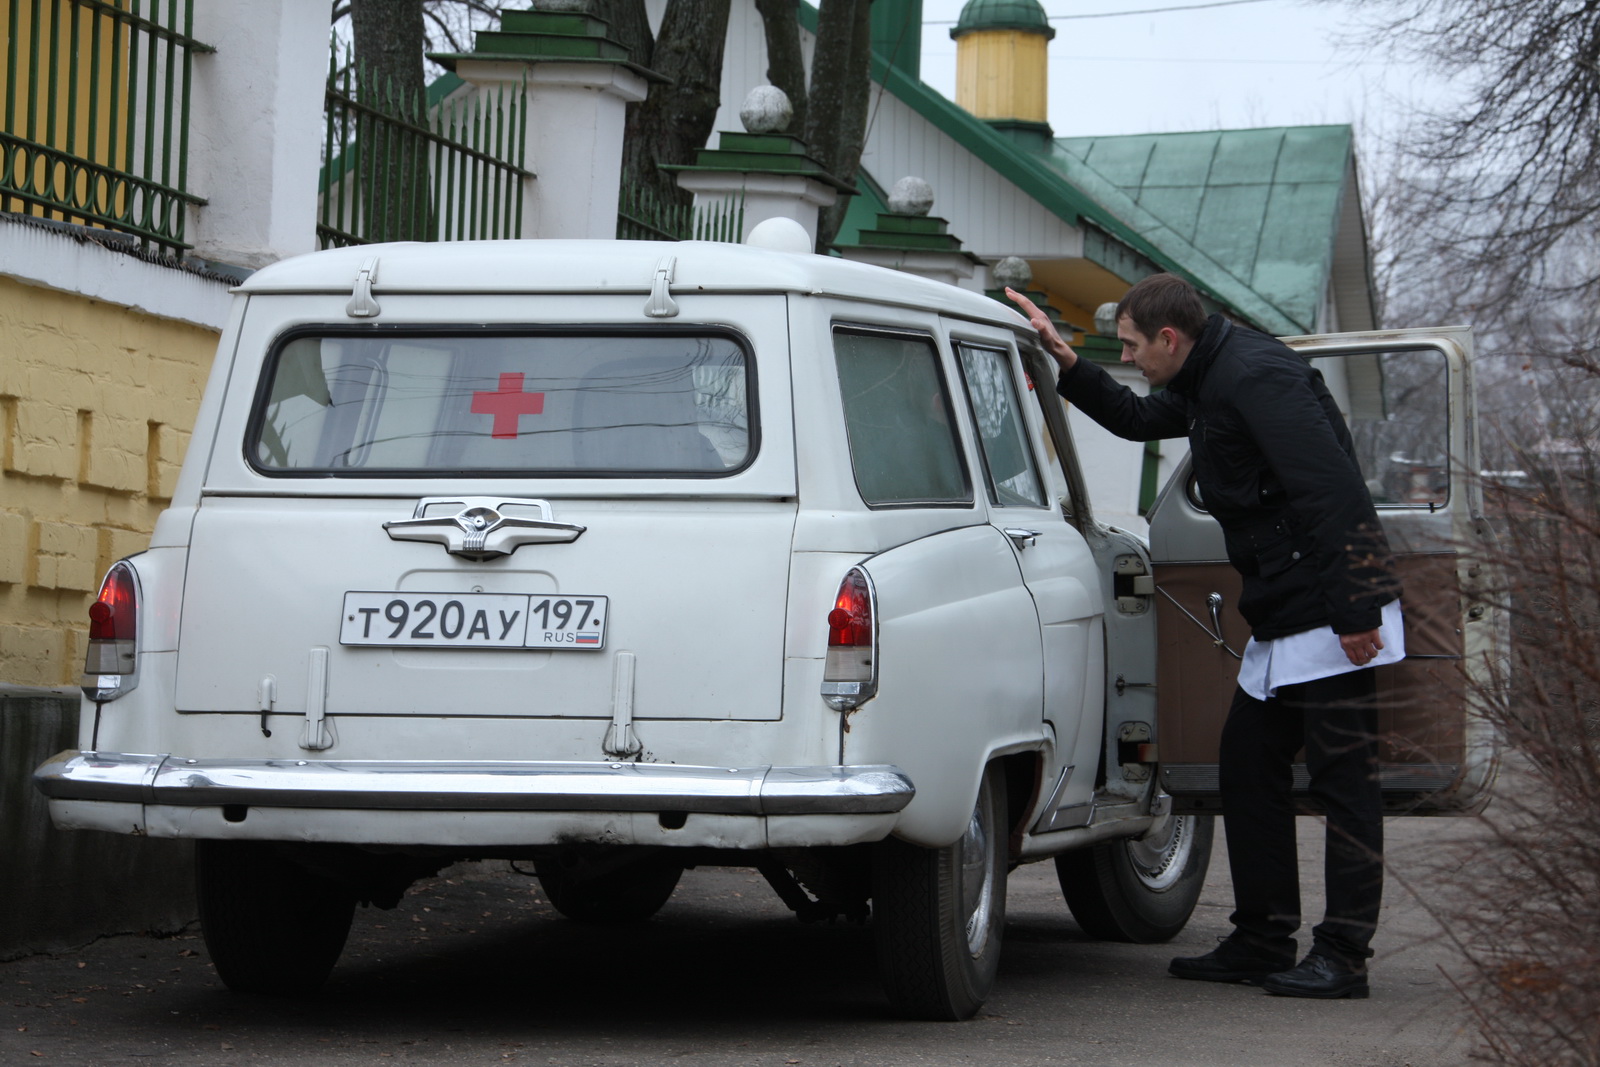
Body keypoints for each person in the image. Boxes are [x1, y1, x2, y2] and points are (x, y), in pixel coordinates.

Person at [1009, 274, 1403, 1000]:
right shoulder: (1204, 373)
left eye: (1130, 346)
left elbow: (1330, 488)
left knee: (1346, 785)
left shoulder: (1254, 374)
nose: (1127, 358)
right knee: (1248, 766)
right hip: (1286, 609)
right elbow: (1133, 415)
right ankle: (1262, 934)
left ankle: (1344, 954)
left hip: (1329, 605)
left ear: (1169, 338)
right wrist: (1066, 362)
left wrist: (1358, 609)